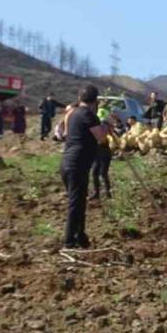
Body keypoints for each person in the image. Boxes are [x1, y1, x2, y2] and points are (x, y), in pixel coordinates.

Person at [61, 86, 107, 249]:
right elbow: (101, 139)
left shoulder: (71, 113)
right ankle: (69, 241)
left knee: (79, 202)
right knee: (76, 203)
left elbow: (65, 135)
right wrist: (106, 127)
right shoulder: (89, 115)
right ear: (95, 101)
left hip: (67, 162)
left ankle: (80, 236)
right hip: (78, 163)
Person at [91, 121, 116, 200]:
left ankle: (108, 192)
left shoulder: (106, 132)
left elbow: (105, 141)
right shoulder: (95, 130)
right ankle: (96, 193)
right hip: (97, 154)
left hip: (105, 154)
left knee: (103, 173)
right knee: (95, 172)